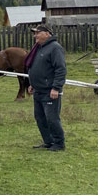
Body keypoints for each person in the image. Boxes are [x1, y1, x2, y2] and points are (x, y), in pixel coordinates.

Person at [25, 24, 67, 152]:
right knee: (40, 117)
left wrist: (56, 87)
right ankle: (48, 141)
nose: (35, 35)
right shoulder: (38, 48)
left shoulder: (55, 48)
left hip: (50, 91)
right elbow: (36, 68)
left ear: (47, 34)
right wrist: (32, 84)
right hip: (38, 90)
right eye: (34, 33)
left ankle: (59, 143)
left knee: (52, 118)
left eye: (38, 33)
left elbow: (60, 69)